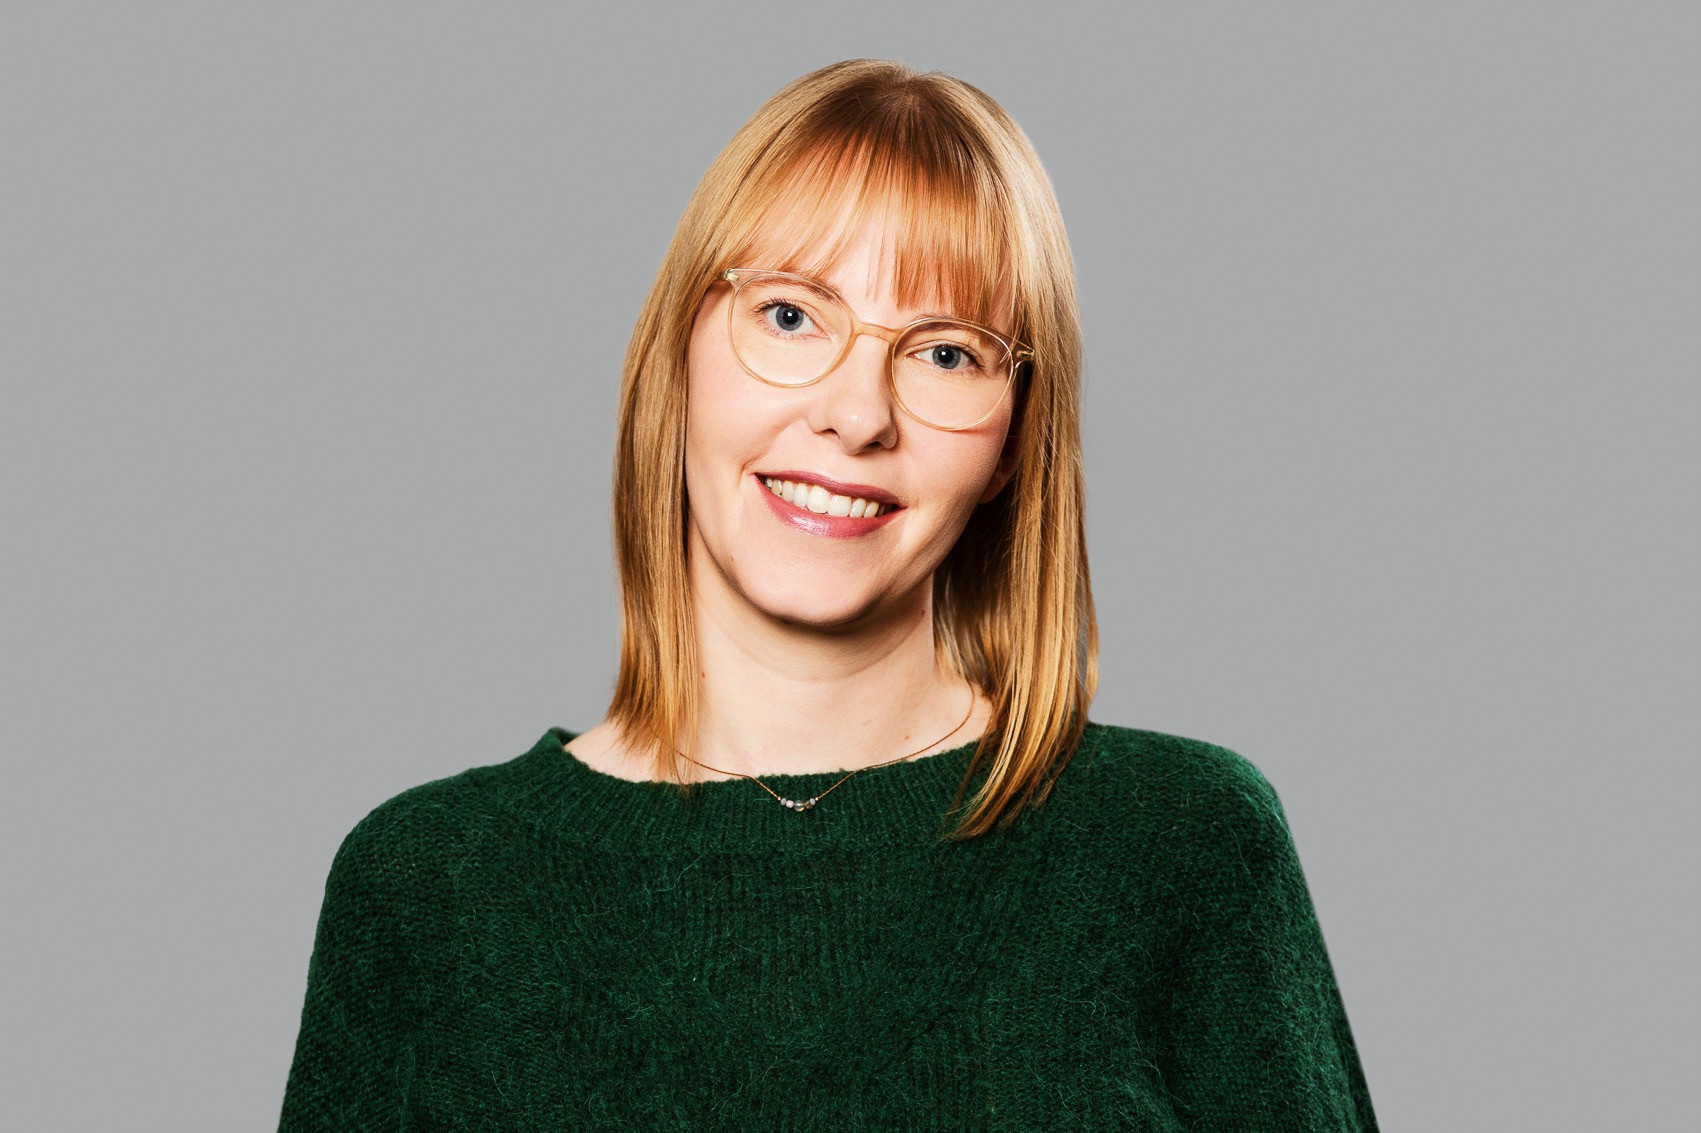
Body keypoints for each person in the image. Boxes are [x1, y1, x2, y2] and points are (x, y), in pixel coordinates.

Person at [279, 59, 1379, 1130]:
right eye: (792, 316)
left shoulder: (1184, 847)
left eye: (945, 354)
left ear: (1012, 439)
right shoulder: (427, 887)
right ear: (678, 354)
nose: (857, 416)